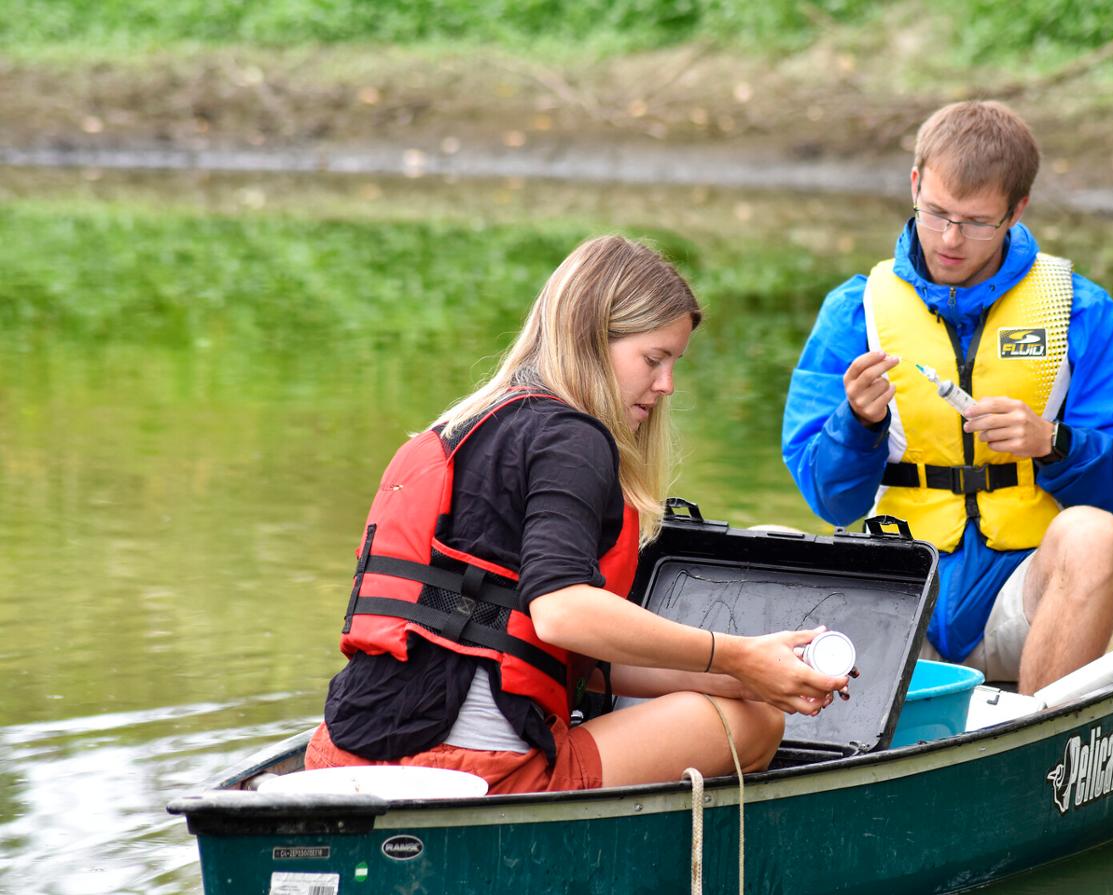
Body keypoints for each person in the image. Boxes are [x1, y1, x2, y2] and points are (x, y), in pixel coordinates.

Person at [307, 235, 848, 795]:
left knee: (736, 698)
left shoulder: (461, 431)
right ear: (591, 340)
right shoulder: (573, 439)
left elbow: (552, 651)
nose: (667, 385)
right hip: (481, 774)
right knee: (755, 724)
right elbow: (563, 614)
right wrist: (733, 652)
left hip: (340, 757)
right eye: (654, 359)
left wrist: (743, 670)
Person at [781, 101, 1113, 694]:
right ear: (914, 184)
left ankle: (1039, 741)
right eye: (935, 213)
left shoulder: (1080, 310)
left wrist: (1053, 443)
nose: (950, 239)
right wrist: (857, 423)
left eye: (978, 221)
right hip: (903, 601)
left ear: (1017, 210)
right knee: (768, 555)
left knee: (1094, 535)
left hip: (1024, 602)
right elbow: (830, 503)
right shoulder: (853, 310)